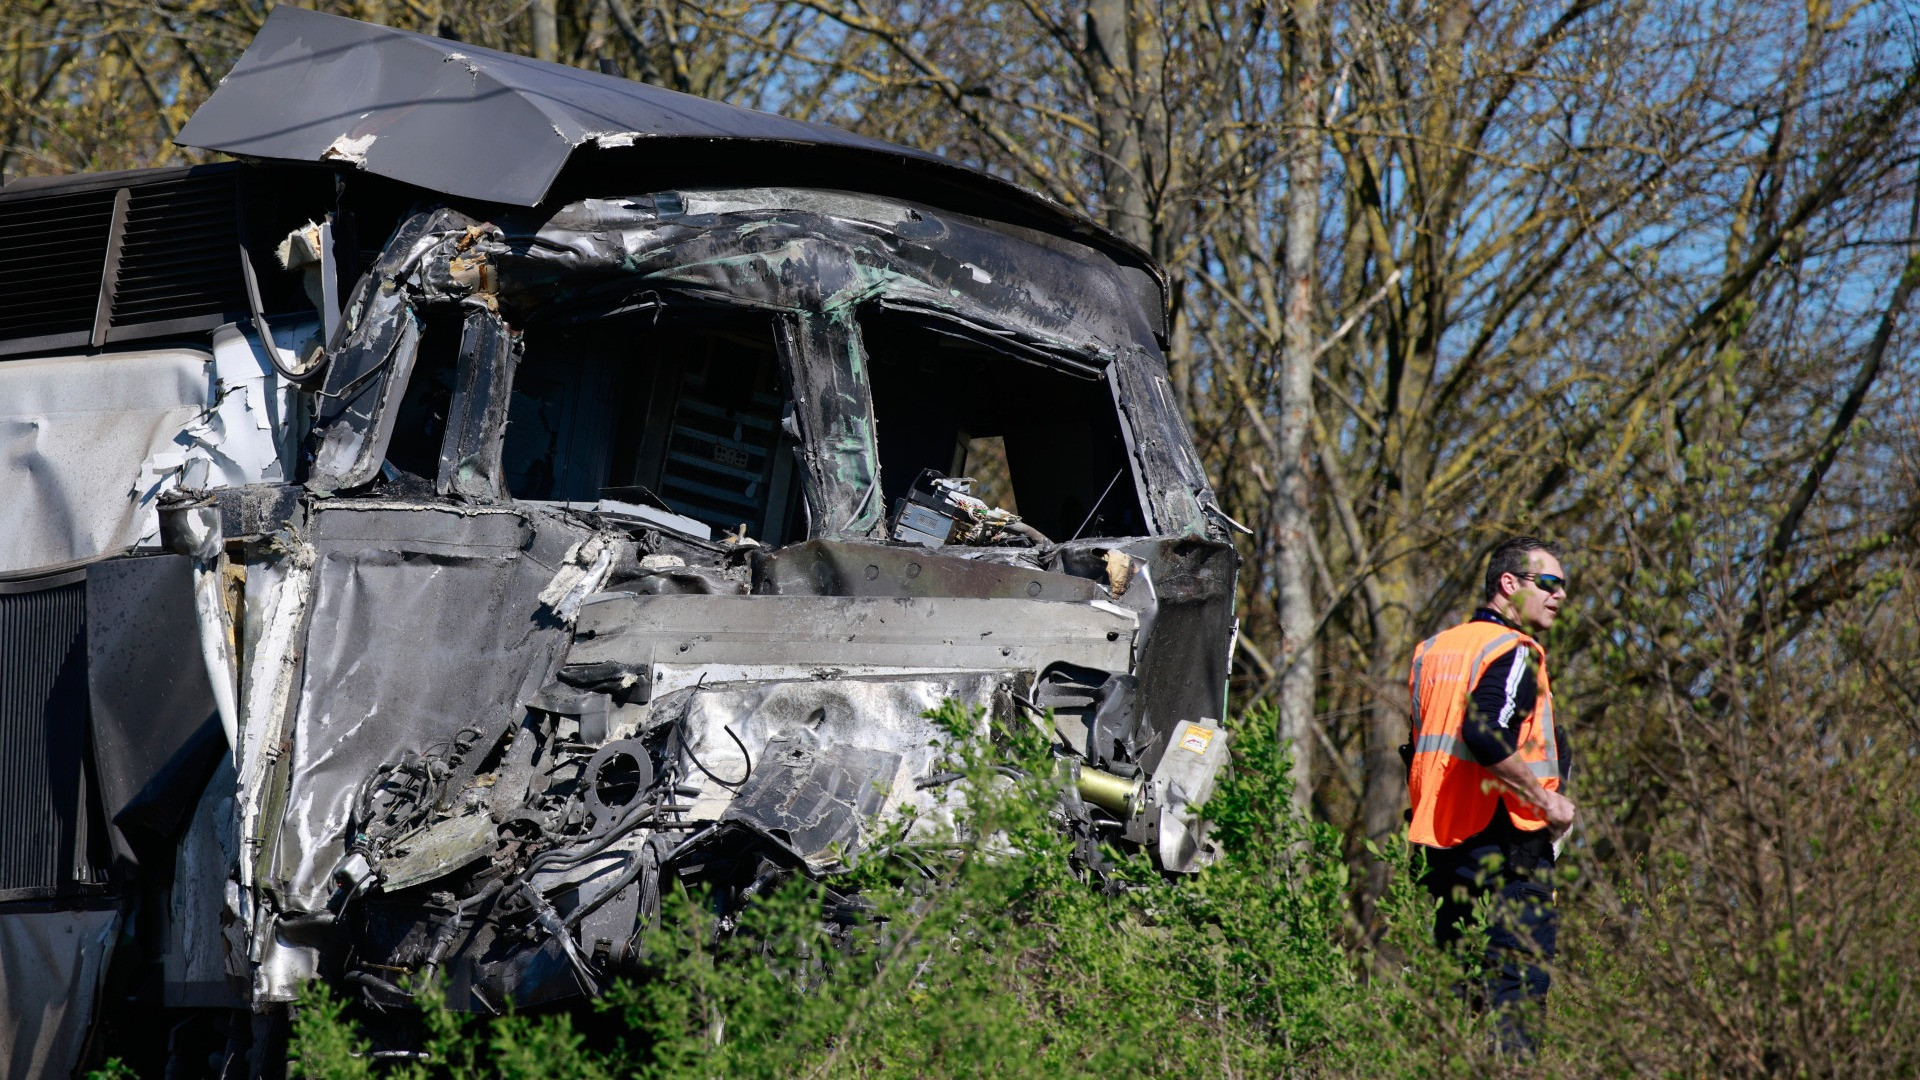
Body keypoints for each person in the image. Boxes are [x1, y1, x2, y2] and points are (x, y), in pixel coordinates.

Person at [1405, 536, 1576, 1057]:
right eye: (1548, 583)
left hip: (1441, 846)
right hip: (1507, 848)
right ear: (1509, 584)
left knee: (1451, 1000)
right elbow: (1486, 737)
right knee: (1516, 998)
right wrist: (1549, 804)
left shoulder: (1431, 652)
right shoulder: (1514, 651)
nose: (1560, 596)